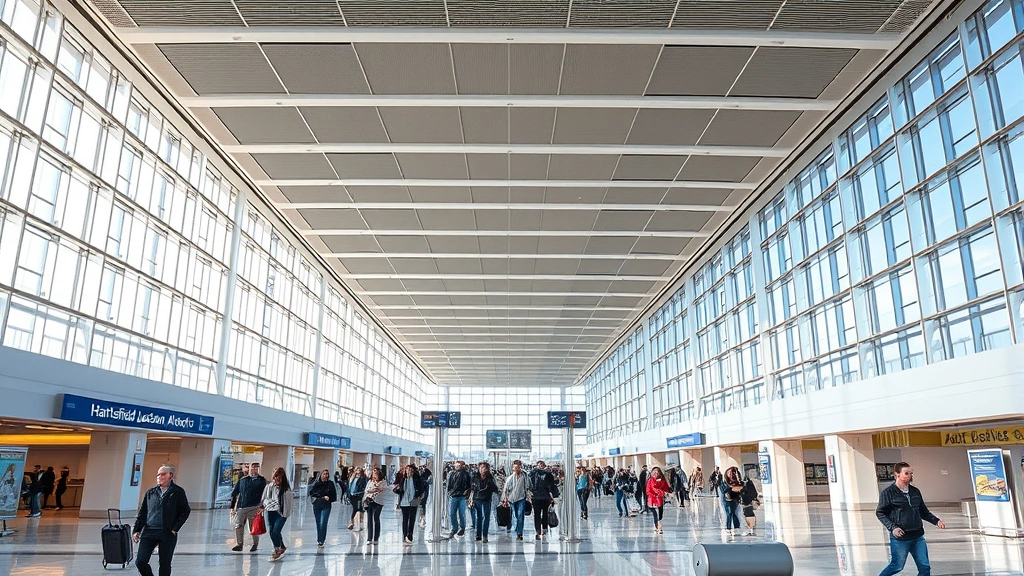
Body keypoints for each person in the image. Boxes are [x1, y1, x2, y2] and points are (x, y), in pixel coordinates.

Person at [876, 462, 945, 576]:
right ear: (897, 474)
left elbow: (923, 511)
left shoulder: (915, 491)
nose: (909, 475)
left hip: (918, 536)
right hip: (901, 538)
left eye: (911, 473)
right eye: (906, 473)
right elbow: (880, 512)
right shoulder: (888, 493)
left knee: (925, 568)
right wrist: (893, 528)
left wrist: (936, 521)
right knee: (897, 566)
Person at [132, 465, 190, 576]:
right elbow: (143, 513)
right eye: (158, 474)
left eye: (163, 474)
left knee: (165, 564)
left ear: (171, 476)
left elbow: (185, 511)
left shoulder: (177, 492)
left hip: (167, 533)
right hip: (149, 532)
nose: (159, 476)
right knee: (140, 561)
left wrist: (175, 528)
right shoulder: (151, 493)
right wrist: (136, 530)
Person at [230, 461, 267, 552]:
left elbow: (265, 495)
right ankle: (239, 544)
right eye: (252, 467)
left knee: (253, 526)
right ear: (249, 468)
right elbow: (235, 493)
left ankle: (255, 544)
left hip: (254, 507)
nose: (254, 469)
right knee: (238, 526)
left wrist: (262, 506)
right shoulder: (242, 480)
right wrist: (232, 507)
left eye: (256, 467)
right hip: (241, 507)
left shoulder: (262, 481)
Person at [260, 467, 293, 562]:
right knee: (271, 531)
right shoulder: (269, 486)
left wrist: (287, 512)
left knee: (276, 531)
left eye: (279, 478)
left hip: (281, 512)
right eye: (275, 478)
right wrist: (262, 506)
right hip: (269, 511)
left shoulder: (286, 489)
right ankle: (280, 547)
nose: (276, 480)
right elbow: (264, 498)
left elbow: (289, 502)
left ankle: (277, 550)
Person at [393, 464, 426, 545]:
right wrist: (395, 490)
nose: (409, 472)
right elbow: (400, 491)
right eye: (407, 470)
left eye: (411, 470)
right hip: (404, 502)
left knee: (412, 519)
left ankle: (410, 535)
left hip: (413, 502)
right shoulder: (403, 480)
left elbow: (422, 488)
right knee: (405, 520)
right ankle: (404, 536)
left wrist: (418, 496)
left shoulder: (417, 479)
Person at [528, 460, 559, 540]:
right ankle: (544, 528)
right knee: (545, 513)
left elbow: (529, 485)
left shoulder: (531, 474)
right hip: (546, 497)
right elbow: (551, 486)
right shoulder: (548, 474)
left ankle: (538, 531)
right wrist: (553, 496)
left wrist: (530, 495)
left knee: (537, 514)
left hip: (535, 497)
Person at [469, 461, 499, 543]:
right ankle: (478, 534)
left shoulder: (490, 478)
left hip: (487, 499)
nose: (482, 469)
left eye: (484, 468)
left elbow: (495, 489)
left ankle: (485, 535)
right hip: (477, 499)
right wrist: (471, 500)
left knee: (486, 517)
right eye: (481, 467)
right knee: (479, 517)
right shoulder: (475, 476)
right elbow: (472, 489)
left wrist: (490, 483)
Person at [500, 459, 529, 541]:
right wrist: (505, 499)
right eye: (515, 467)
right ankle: (517, 527)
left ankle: (519, 534)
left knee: (520, 515)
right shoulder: (510, 478)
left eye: (518, 467)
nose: (516, 469)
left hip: (521, 498)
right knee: (516, 515)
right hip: (512, 499)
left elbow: (527, 486)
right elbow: (506, 489)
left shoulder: (524, 476)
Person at [309, 469, 337, 548]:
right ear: (321, 475)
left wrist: (329, 498)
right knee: (318, 523)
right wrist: (321, 496)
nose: (325, 475)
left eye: (327, 474)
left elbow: (334, 496)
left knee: (323, 523)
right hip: (317, 505)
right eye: (324, 474)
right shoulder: (317, 484)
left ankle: (322, 540)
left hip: (326, 506)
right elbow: (311, 493)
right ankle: (319, 539)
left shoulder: (330, 484)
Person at [446, 460, 472, 537]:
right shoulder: (452, 474)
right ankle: (455, 528)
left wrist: (467, 492)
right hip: (454, 496)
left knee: (461, 513)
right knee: (452, 513)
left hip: (461, 496)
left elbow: (469, 485)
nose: (456, 467)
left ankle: (461, 528)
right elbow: (450, 485)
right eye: (456, 465)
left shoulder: (466, 474)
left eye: (458, 465)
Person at [363, 467, 387, 545]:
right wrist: (373, 489)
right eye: (374, 473)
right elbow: (367, 490)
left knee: (376, 518)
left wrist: (374, 488)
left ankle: (376, 537)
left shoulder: (383, 482)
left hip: (379, 502)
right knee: (369, 519)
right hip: (370, 501)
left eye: (376, 473)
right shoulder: (370, 481)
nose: (375, 474)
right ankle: (369, 538)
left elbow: (381, 489)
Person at [646, 466, 671, 534]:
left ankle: (658, 525)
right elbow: (650, 490)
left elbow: (666, 487)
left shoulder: (662, 480)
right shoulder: (651, 480)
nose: (656, 474)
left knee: (660, 514)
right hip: (652, 499)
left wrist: (667, 491)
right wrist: (661, 493)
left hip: (660, 499)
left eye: (658, 472)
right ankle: (658, 527)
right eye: (655, 472)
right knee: (655, 514)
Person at [722, 466, 744, 538]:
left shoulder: (737, 481)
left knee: (733, 512)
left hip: (735, 498)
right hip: (727, 499)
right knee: (729, 512)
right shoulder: (725, 482)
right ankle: (728, 528)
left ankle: (736, 526)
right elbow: (724, 491)